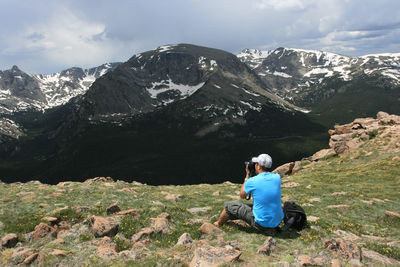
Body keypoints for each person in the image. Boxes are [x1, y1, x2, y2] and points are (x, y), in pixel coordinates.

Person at [214, 153, 284, 233]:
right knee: (257, 206)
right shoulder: (276, 177)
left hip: (261, 224)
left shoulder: (252, 181)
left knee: (229, 206)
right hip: (276, 222)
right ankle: (270, 226)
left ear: (258, 166)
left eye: (256, 164)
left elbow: (242, 195)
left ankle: (218, 224)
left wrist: (247, 176)